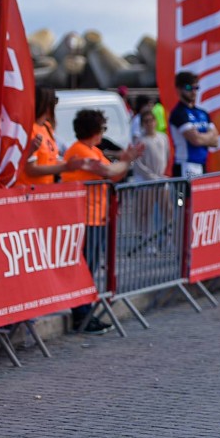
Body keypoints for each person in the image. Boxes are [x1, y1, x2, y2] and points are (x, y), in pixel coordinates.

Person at [60, 108, 140, 334]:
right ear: (95, 130)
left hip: (95, 216)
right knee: (85, 269)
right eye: (102, 128)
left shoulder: (91, 150)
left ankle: (86, 312)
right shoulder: (80, 151)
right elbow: (109, 170)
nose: (103, 132)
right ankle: (81, 314)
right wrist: (125, 161)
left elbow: (113, 173)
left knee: (90, 268)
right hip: (86, 217)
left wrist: (122, 163)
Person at [18, 86, 84, 185]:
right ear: (46, 104)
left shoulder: (46, 127)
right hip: (29, 192)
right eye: (55, 101)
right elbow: (31, 169)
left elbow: (51, 161)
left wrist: (78, 165)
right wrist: (65, 167)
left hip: (46, 191)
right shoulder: (28, 129)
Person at [169, 71, 218, 178]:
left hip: (202, 165)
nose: (193, 92)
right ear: (179, 89)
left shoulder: (203, 113)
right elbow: (195, 140)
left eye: (196, 88)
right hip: (185, 166)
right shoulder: (178, 113)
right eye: (188, 88)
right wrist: (206, 137)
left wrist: (201, 137)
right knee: (184, 195)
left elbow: (216, 141)